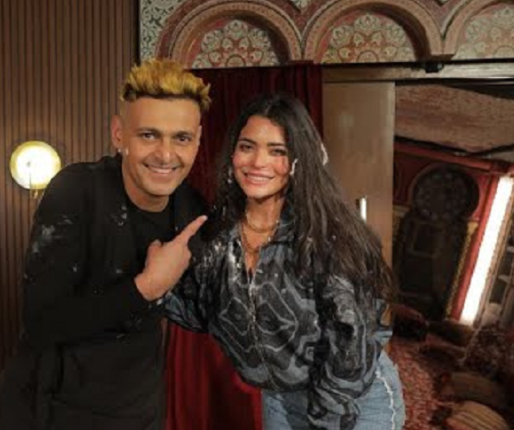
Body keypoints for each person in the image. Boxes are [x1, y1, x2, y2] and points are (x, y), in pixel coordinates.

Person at [162, 93, 406, 430]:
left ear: (298, 160)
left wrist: (326, 419)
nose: (257, 162)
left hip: (355, 400)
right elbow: (201, 311)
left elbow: (351, 342)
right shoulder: (217, 235)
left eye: (277, 151)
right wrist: (152, 284)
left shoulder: (326, 236)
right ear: (233, 153)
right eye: (247, 146)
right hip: (279, 398)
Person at [0, 59, 210, 430]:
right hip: (47, 411)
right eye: (149, 135)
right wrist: (146, 287)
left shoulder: (192, 210)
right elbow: (41, 321)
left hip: (137, 412)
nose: (165, 154)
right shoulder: (76, 191)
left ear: (198, 140)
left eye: (181, 138)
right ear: (118, 134)